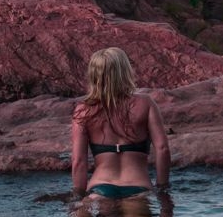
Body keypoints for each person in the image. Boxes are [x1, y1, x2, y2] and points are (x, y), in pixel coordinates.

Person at [71, 46, 170, 199]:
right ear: (124, 72)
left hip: (100, 189)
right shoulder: (145, 104)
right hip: (138, 188)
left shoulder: (83, 110)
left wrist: (77, 198)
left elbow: (78, 161)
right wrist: (163, 188)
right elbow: (162, 149)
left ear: (94, 75)